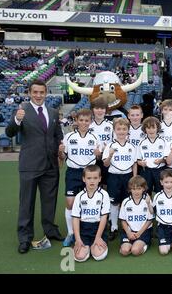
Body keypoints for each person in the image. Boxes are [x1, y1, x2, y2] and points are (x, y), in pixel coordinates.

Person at [6, 79, 64, 254]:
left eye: (42, 92)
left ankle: (50, 230)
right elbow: (9, 132)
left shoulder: (53, 112)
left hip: (50, 165)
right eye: (35, 92)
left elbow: (57, 136)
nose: (38, 95)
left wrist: (60, 150)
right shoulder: (22, 111)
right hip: (30, 165)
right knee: (26, 203)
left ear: (46, 93)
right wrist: (16, 120)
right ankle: (25, 238)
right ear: (29, 93)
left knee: (49, 202)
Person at [59, 109, 101, 247]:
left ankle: (86, 231)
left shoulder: (95, 138)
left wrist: (98, 154)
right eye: (81, 120)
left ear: (90, 122)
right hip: (73, 172)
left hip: (90, 173)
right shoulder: (69, 136)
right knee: (70, 203)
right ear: (76, 121)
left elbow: (99, 157)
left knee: (88, 203)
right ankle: (71, 233)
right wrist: (60, 152)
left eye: (86, 121)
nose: (83, 123)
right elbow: (62, 157)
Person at [102, 118, 137, 241]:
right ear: (114, 130)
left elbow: (134, 163)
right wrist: (110, 155)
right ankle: (114, 227)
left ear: (128, 130)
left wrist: (134, 178)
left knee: (127, 201)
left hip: (127, 177)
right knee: (114, 202)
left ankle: (127, 225)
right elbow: (106, 164)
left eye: (124, 129)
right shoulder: (110, 146)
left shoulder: (131, 146)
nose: (121, 131)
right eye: (118, 129)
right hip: (114, 177)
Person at [71, 165, 110, 262]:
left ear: (100, 179)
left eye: (95, 178)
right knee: (79, 257)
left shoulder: (104, 195)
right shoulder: (79, 196)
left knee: (98, 255)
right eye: (89, 178)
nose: (92, 181)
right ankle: (86, 247)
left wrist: (98, 237)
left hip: (98, 228)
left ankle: (93, 246)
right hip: (83, 229)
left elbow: (104, 217)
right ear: (84, 179)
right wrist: (78, 239)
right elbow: (75, 218)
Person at [119, 176, 154, 256]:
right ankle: (129, 244)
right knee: (124, 251)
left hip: (143, 232)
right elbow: (123, 220)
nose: (136, 191)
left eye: (139, 188)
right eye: (133, 189)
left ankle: (144, 245)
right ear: (130, 189)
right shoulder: (126, 201)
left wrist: (139, 233)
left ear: (143, 189)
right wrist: (128, 232)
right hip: (129, 232)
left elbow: (149, 220)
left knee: (135, 251)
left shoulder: (147, 201)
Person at [136, 116, 167, 197]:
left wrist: (161, 160)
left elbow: (166, 159)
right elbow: (138, 160)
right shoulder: (141, 142)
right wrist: (141, 163)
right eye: (148, 128)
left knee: (160, 191)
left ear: (158, 128)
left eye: (153, 127)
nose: (151, 130)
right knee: (145, 192)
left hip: (160, 170)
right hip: (146, 171)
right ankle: (147, 207)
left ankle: (158, 208)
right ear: (144, 129)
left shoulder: (163, 142)